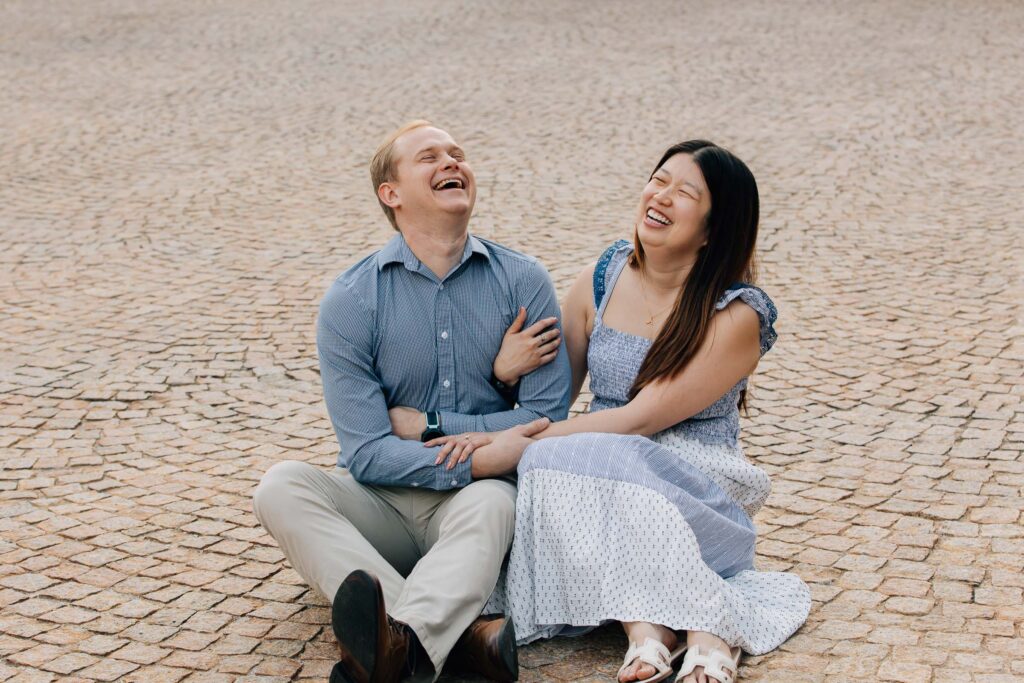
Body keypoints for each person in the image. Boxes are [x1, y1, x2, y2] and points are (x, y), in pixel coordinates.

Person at [428, 141, 812, 683]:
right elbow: (549, 400)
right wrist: (506, 372)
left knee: (559, 457)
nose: (661, 197)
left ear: (711, 230)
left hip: (695, 484)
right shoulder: (601, 278)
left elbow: (639, 420)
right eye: (659, 180)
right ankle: (651, 628)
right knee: (559, 462)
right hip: (598, 467)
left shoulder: (738, 314)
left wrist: (526, 444)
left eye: (685, 194)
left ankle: (702, 627)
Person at [252, 120, 572, 683]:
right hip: (377, 508)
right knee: (281, 486)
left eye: (458, 154)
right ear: (391, 194)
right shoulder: (352, 301)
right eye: (430, 157)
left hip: (469, 507)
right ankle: (451, 641)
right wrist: (479, 454)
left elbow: (547, 420)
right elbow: (368, 451)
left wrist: (431, 427)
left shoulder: (524, 282)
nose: (452, 162)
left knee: (495, 503)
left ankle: (396, 643)